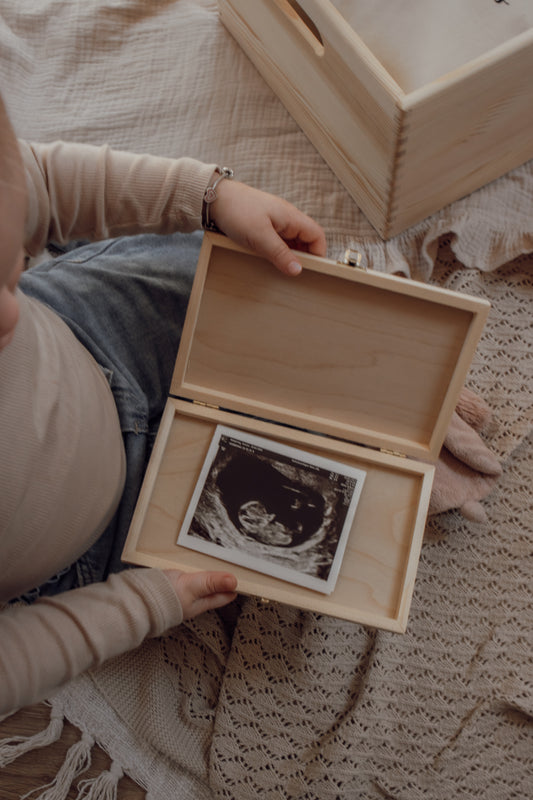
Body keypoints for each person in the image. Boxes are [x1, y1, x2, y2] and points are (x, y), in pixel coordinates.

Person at [0, 93, 327, 716]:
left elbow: (41, 179)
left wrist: (211, 195)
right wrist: (143, 606)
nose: (8, 311)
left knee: (261, 275)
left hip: (89, 325)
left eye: (11, 269)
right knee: (290, 557)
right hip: (89, 540)